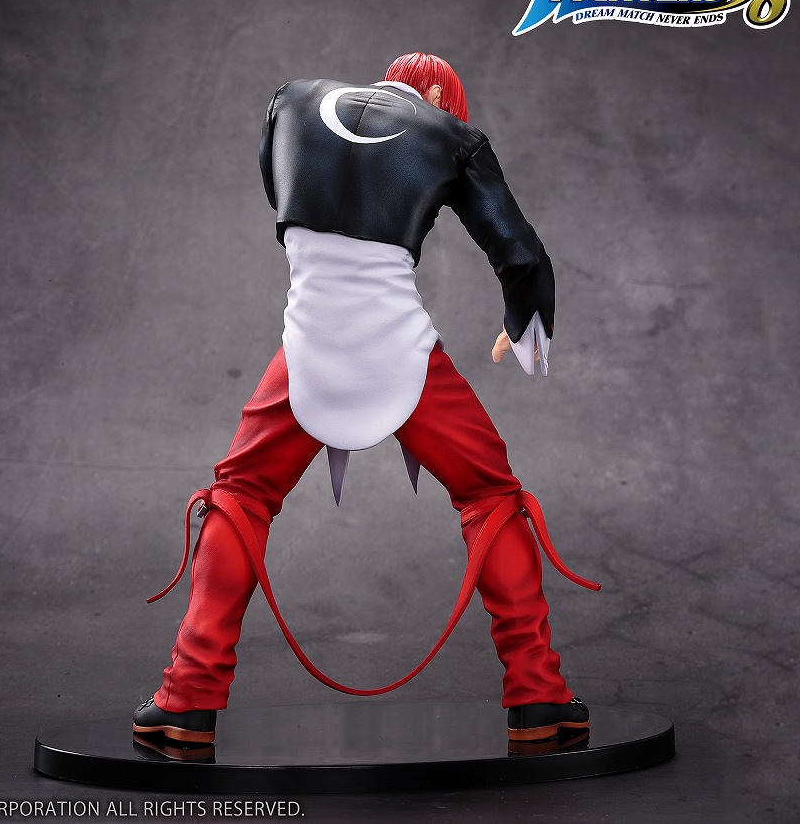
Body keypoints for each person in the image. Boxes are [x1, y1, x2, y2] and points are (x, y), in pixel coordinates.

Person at [133, 52, 598, 746]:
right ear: (438, 95)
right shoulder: (454, 137)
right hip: (400, 346)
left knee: (241, 494)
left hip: (308, 341)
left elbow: (279, 189)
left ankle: (186, 700)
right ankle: (539, 696)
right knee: (490, 494)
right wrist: (526, 324)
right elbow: (520, 252)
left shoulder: (289, 100)